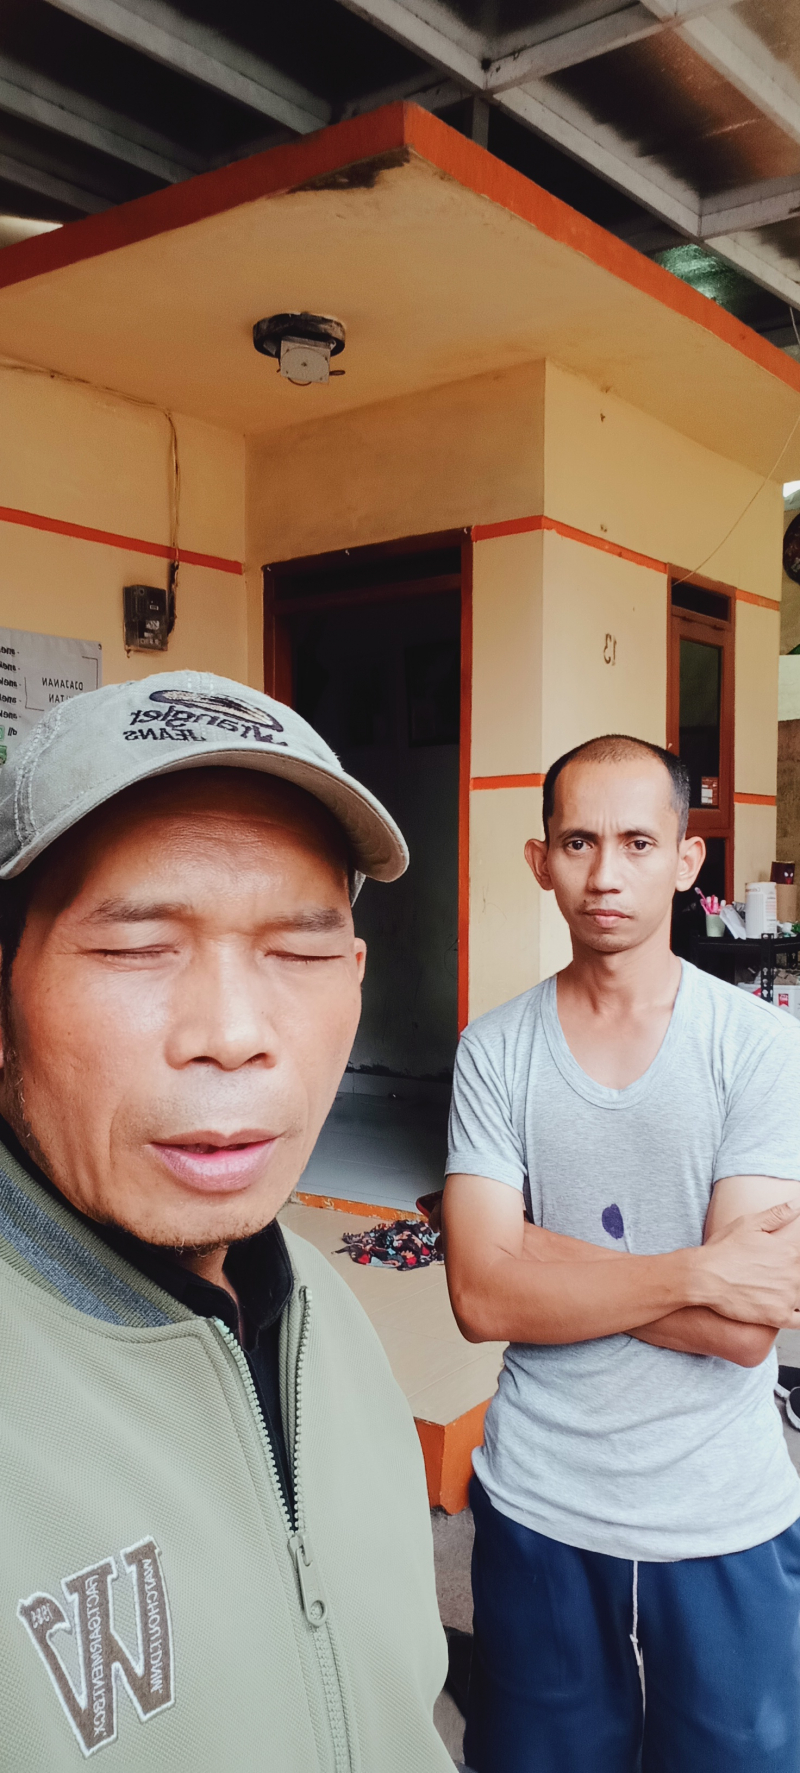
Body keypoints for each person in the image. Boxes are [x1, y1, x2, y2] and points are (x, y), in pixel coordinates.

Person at [0, 669, 452, 1771]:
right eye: (136, 947)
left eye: (299, 952)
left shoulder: (330, 1321)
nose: (235, 1031)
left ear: (355, 976)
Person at [443, 733, 800, 1773]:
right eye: (578, 842)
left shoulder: (758, 1048)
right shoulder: (493, 1050)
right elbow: (478, 1298)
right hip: (538, 1504)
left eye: (638, 843)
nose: (605, 873)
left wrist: (530, 1255)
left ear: (687, 861)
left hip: (719, 1517)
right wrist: (693, 1269)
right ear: (539, 860)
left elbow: (744, 1333)